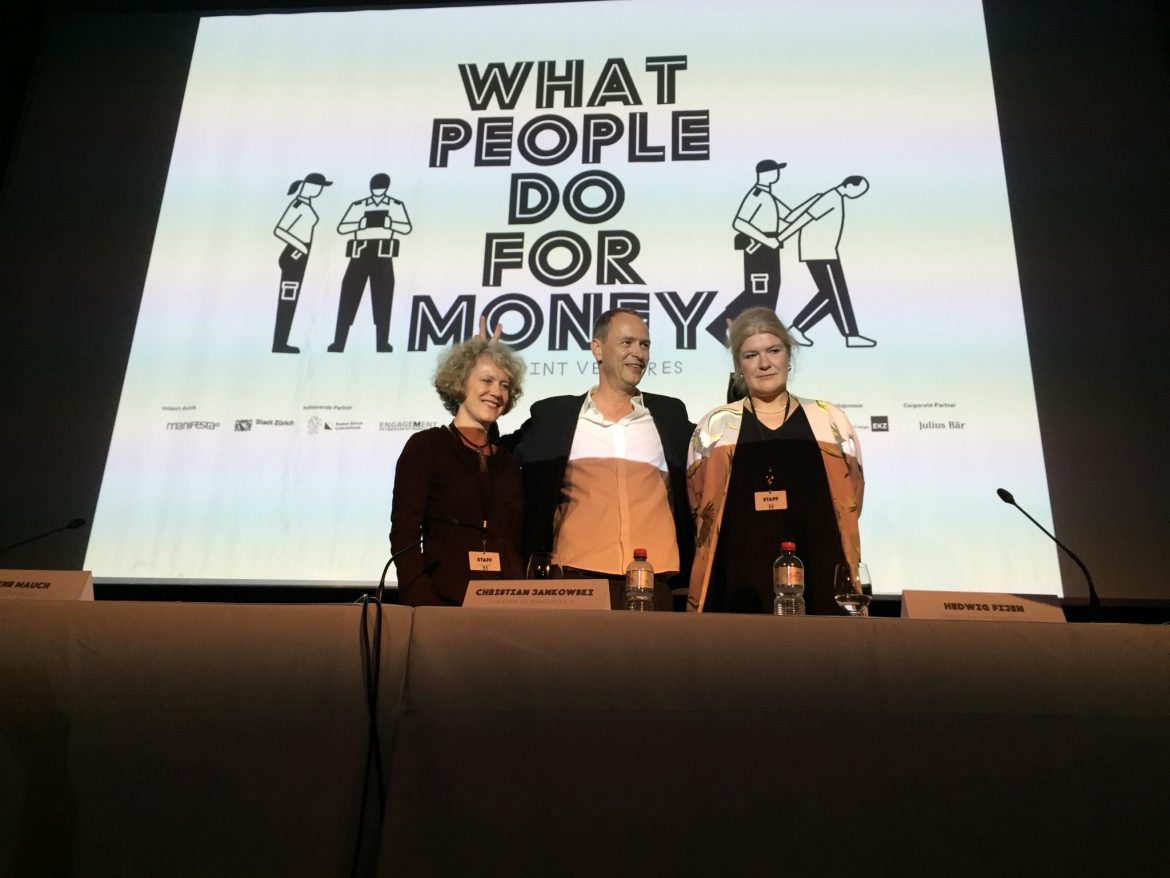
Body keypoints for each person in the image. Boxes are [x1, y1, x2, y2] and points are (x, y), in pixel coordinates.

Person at [501, 308, 694, 610]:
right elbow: (496, 453)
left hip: (651, 583)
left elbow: (717, 449)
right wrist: (481, 368)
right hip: (575, 580)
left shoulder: (670, 416)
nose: (638, 353)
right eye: (627, 342)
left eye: (644, 344)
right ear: (598, 349)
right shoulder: (554, 416)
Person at [687, 306, 863, 614]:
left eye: (774, 350)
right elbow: (699, 503)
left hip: (822, 569)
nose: (765, 363)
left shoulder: (829, 419)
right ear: (738, 365)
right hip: (736, 575)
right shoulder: (714, 426)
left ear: (789, 356)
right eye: (751, 355)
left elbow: (852, 496)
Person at [390, 337, 525, 606]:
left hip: (505, 605)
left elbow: (513, 540)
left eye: (504, 385)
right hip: (443, 604)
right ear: (460, 383)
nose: (497, 392)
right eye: (486, 380)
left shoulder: (507, 461)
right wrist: (423, 603)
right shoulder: (427, 446)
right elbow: (404, 534)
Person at [778, 175, 875, 348]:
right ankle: (800, 328)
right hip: (820, 253)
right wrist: (781, 238)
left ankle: (847, 334)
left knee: (833, 295)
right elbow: (803, 219)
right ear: (849, 186)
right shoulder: (830, 198)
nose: (858, 195)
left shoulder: (833, 197)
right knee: (834, 294)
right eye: (859, 191)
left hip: (824, 252)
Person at [705, 159, 792, 347]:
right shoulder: (756, 195)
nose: (777, 174)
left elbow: (789, 216)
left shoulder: (768, 196)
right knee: (758, 293)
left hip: (770, 250)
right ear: (765, 174)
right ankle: (721, 325)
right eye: (774, 170)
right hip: (758, 251)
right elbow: (739, 222)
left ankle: (724, 327)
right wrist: (766, 239)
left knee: (768, 291)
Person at [328, 172, 411, 353]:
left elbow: (406, 227)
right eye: (375, 188)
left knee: (383, 299)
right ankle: (339, 342)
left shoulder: (395, 205)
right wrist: (361, 224)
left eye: (380, 188)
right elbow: (343, 227)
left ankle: (382, 343)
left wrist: (389, 223)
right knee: (349, 297)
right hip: (360, 252)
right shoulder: (359, 206)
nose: (377, 191)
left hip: (382, 253)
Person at [271, 172, 331, 353]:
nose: (320, 191)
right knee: (288, 299)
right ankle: (280, 343)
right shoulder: (298, 205)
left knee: (292, 299)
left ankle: (282, 341)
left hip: (299, 256)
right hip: (294, 256)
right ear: (311, 187)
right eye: (319, 188)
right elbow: (280, 230)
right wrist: (301, 247)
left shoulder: (305, 204)